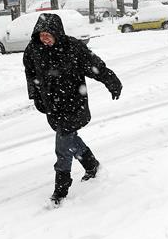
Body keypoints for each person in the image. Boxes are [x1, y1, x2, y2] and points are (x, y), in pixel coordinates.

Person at [23, 13, 122, 204]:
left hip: (74, 103)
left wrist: (111, 80)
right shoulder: (33, 50)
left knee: (62, 144)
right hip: (52, 105)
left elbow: (95, 66)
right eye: (41, 34)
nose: (45, 38)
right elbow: (30, 73)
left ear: (57, 33)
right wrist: (35, 95)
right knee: (69, 138)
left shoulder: (73, 47)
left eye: (48, 34)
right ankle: (92, 165)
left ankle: (61, 189)